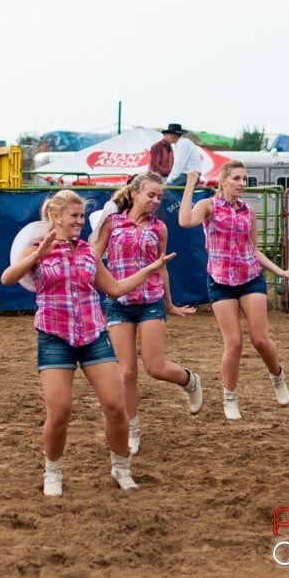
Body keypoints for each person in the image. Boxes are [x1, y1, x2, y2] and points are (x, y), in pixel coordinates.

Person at [1, 189, 174, 496]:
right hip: (55, 337)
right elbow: (7, 279)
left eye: (82, 216)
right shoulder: (38, 248)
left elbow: (116, 288)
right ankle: (53, 471)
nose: (80, 221)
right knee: (60, 411)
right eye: (74, 216)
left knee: (114, 405)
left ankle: (121, 468)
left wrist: (148, 271)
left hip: (94, 335)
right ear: (56, 217)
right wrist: (37, 256)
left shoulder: (88, 252)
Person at [178, 161, 289, 420]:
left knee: (260, 339)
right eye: (237, 178)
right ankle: (230, 396)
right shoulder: (209, 207)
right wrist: (190, 184)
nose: (242, 184)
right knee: (233, 343)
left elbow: (254, 249)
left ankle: (277, 375)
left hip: (250, 278)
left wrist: (282, 272)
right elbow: (185, 221)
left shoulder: (249, 211)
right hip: (221, 280)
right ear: (223, 181)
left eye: (245, 179)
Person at [91, 172, 202, 455]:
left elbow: (161, 266)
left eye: (159, 197)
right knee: (126, 372)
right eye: (150, 195)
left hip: (150, 301)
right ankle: (133, 428)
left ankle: (189, 379)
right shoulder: (111, 223)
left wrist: (169, 303)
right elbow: (92, 258)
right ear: (135, 193)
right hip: (118, 302)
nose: (155, 200)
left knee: (155, 367)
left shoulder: (160, 228)